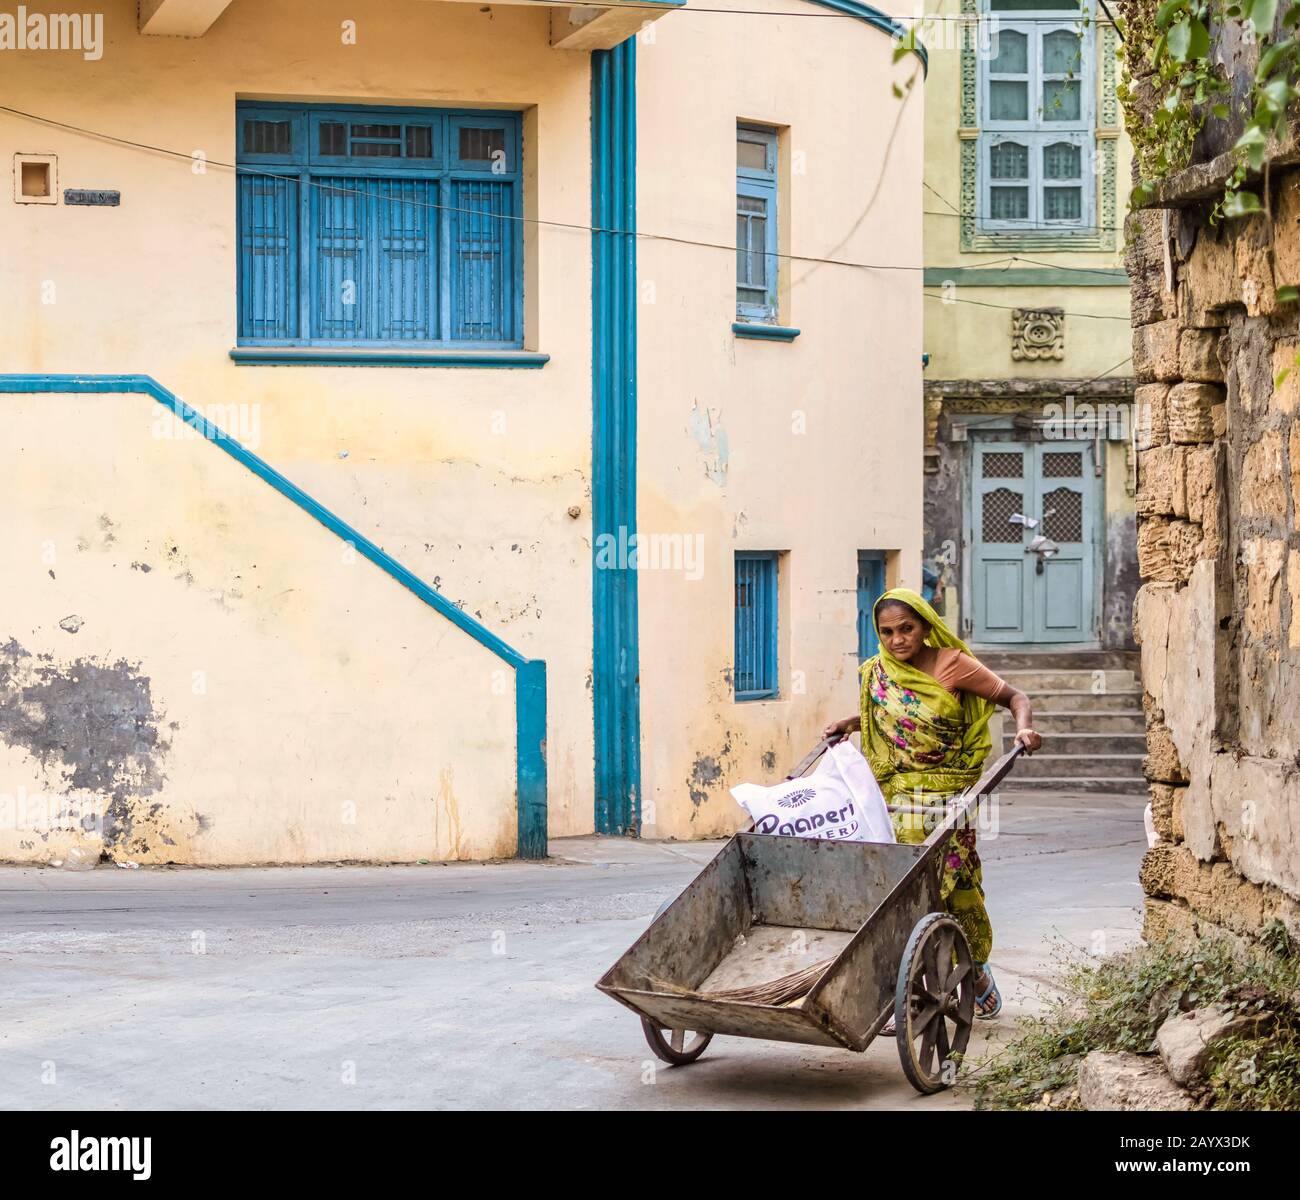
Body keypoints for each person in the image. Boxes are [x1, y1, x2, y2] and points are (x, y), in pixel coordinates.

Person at [823, 587, 1042, 1020]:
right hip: (891, 794)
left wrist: (1025, 730)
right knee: (893, 889)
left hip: (946, 795)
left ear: (925, 626)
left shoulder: (952, 664)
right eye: (887, 632)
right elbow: (889, 719)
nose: (897, 640)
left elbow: (1015, 697)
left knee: (956, 888)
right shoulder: (875, 673)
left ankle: (974, 968)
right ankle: (902, 987)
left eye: (906, 629)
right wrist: (851, 722)